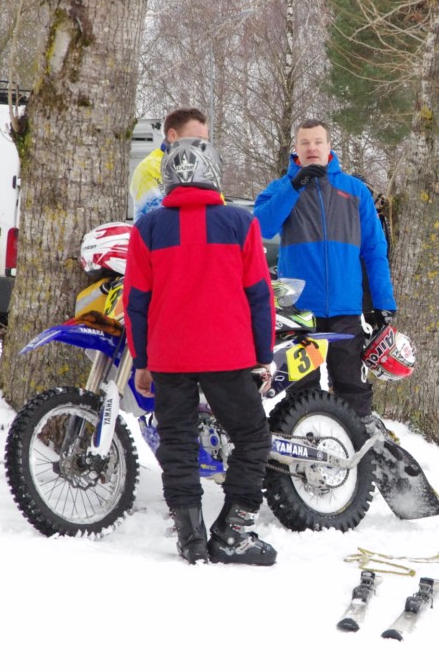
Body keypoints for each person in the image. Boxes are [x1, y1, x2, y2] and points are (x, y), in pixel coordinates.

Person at [123, 138, 277, 566]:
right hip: (227, 354)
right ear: (215, 173)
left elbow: (135, 301)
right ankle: (232, 532)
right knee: (252, 438)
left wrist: (142, 361)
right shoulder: (240, 223)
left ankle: (191, 540)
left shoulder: (148, 229)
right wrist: (263, 353)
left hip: (169, 357)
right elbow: (260, 294)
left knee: (177, 444)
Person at [254, 119, 397, 436]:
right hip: (299, 313)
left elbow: (374, 250)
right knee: (302, 392)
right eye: (304, 142)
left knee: (352, 388)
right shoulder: (281, 188)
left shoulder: (354, 191)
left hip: (346, 310)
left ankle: (359, 447)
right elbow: (261, 227)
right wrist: (295, 186)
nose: (312, 148)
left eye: (318, 141)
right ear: (296, 149)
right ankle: (305, 447)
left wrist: (383, 303)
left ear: (329, 146)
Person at [129, 108, 210, 220]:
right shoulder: (151, 168)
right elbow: (165, 220)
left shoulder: (201, 169)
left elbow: (217, 213)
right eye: (197, 139)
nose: (202, 146)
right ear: (172, 135)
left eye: (205, 140)